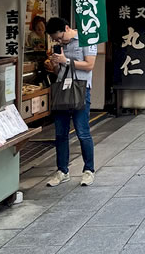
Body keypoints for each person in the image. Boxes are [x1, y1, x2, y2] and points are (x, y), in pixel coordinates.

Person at [45, 17, 96, 187]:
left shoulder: (86, 39)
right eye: (56, 39)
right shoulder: (60, 47)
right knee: (60, 133)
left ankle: (89, 170)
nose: (59, 41)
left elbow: (89, 65)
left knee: (82, 131)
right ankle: (62, 171)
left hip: (81, 89)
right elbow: (59, 70)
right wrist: (54, 64)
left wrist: (65, 60)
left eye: (60, 37)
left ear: (67, 28)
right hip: (62, 89)